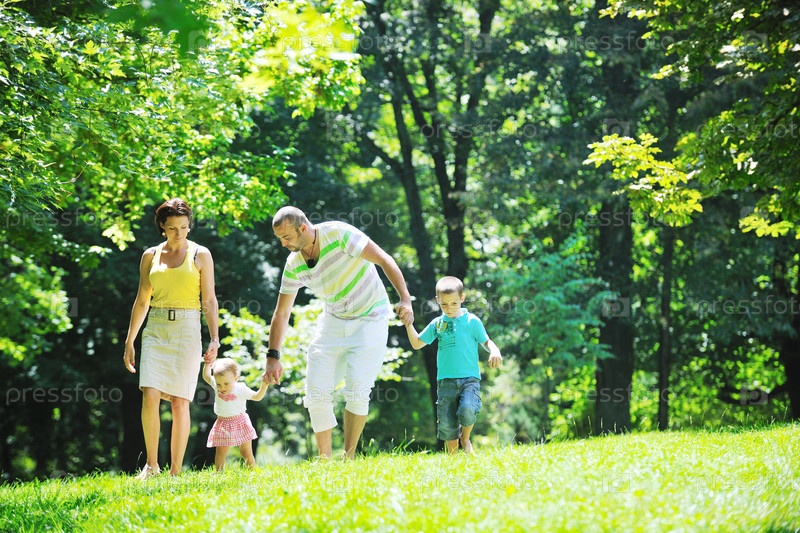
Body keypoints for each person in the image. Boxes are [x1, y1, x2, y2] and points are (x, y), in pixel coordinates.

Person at [262, 206, 414, 459]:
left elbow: (384, 259)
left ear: (303, 228)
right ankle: (325, 459)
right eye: (279, 238)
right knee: (315, 391)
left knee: (357, 390)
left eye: (286, 237)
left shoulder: (339, 234)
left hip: (370, 317)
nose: (283, 244)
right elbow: (282, 312)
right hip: (334, 319)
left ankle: (348, 457)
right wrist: (272, 356)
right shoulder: (294, 264)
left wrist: (405, 299)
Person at [123, 198, 220, 479]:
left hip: (187, 330)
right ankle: (151, 466)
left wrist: (215, 338)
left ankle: (175, 473)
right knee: (150, 394)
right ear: (162, 227)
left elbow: (209, 300)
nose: (179, 233)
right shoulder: (150, 256)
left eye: (184, 227)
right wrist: (130, 341)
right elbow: (142, 300)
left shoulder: (201, 254)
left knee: (180, 401)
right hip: (155, 328)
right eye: (173, 228)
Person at [401, 276, 502, 454]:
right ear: (437, 300)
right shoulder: (437, 324)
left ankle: (465, 438)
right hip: (445, 381)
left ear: (462, 298)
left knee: (468, 409)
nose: (449, 308)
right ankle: (453, 459)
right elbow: (417, 343)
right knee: (447, 422)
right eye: (444, 304)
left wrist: (494, 351)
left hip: (469, 379)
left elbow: (486, 341)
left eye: (454, 303)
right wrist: (409, 325)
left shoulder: (472, 321)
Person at [202, 357, 268, 471]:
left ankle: (252, 471)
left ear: (236, 378)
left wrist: (264, 385)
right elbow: (206, 376)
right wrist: (207, 364)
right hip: (223, 423)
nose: (222, 387)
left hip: (240, 422)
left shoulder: (240, 388)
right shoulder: (216, 384)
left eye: (226, 384)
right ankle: (219, 473)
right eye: (219, 384)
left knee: (245, 451)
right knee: (221, 450)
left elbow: (257, 397)